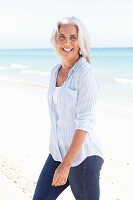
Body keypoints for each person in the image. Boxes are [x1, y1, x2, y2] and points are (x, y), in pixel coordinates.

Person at [32, 16, 104, 200]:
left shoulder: (85, 73)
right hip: (56, 154)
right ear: (56, 40)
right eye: (62, 36)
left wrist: (66, 164)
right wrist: (61, 161)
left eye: (73, 37)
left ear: (80, 41)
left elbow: (85, 121)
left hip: (83, 158)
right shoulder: (55, 71)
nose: (67, 42)